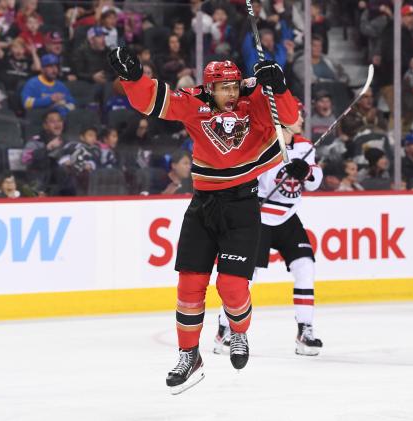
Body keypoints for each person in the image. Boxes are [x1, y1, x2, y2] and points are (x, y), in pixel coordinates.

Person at [108, 46, 300, 394]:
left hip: (242, 205)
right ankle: (188, 355)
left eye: (233, 85)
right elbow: (153, 100)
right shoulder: (195, 104)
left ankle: (239, 334)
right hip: (203, 205)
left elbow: (288, 117)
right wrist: (132, 78)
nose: (230, 92)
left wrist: (280, 85)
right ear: (208, 89)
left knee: (231, 286)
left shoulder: (253, 100)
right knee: (189, 285)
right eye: (222, 87)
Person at [213, 111, 324, 356]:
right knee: (245, 277)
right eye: (298, 115)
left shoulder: (304, 145)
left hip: (287, 217)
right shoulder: (263, 140)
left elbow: (316, 180)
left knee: (305, 267)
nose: (303, 120)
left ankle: (305, 331)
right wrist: (281, 168)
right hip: (260, 216)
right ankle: (225, 331)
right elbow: (254, 175)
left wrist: (305, 171)